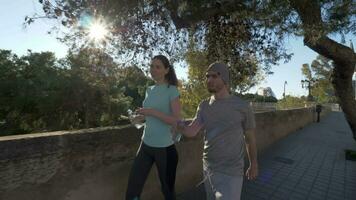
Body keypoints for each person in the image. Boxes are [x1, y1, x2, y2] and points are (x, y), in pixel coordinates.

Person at [177, 62, 258, 200]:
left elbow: (250, 138)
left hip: (232, 171)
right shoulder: (203, 106)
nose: (209, 80)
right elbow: (191, 131)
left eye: (214, 76)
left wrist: (254, 164)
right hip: (208, 168)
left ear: (225, 79)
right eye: (207, 77)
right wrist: (176, 123)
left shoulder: (243, 107)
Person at [125, 55, 181, 200]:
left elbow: (176, 121)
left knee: (168, 192)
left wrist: (152, 112)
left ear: (166, 70)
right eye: (151, 66)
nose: (153, 70)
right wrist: (138, 119)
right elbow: (148, 117)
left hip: (165, 149)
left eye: (158, 67)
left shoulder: (172, 90)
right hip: (145, 145)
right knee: (132, 190)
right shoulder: (149, 89)